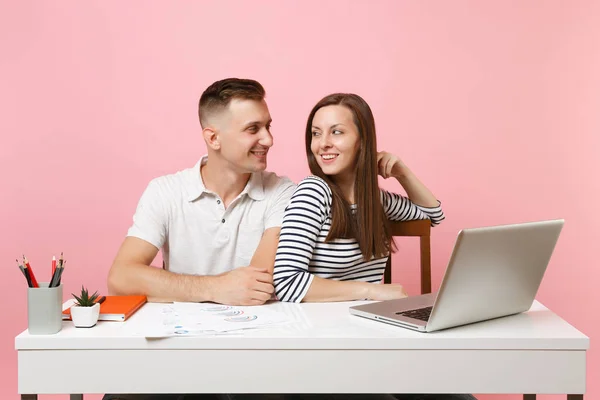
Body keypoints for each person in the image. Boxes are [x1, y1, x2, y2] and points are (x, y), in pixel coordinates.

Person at [272, 93, 475, 400]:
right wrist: (372, 291)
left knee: (456, 398)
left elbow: (433, 215)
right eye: (316, 133)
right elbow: (286, 282)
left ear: (362, 141)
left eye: (336, 132)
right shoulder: (313, 192)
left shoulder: (375, 200)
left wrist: (402, 172)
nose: (323, 143)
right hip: (319, 347)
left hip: (366, 338)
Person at [103, 78, 296, 400]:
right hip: (176, 351)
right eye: (253, 129)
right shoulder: (166, 191)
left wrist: (168, 287)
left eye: (268, 126)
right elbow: (121, 278)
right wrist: (217, 287)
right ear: (213, 138)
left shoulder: (282, 193)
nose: (269, 139)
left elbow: (257, 287)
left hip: (254, 355)